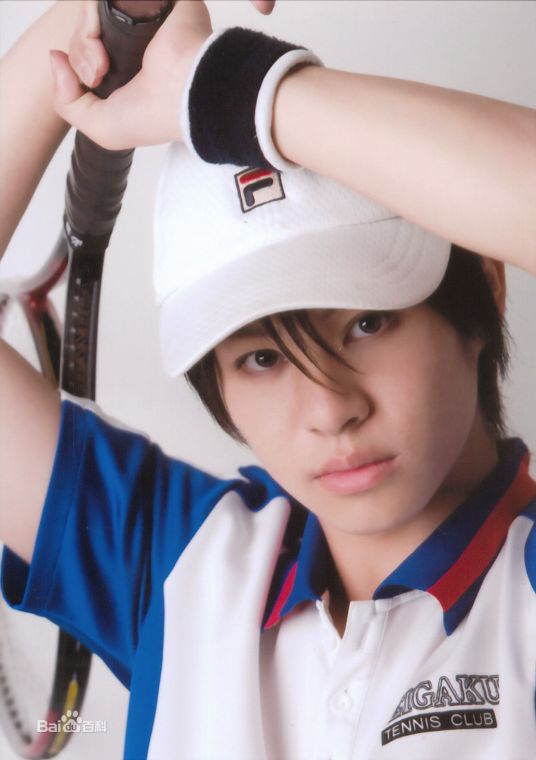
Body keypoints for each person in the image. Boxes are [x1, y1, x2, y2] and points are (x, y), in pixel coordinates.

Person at [1, 1, 535, 758]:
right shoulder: (179, 566)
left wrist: (223, 86)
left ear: (486, 287)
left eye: (367, 323)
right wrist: (99, 15)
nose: (329, 409)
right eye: (261, 358)